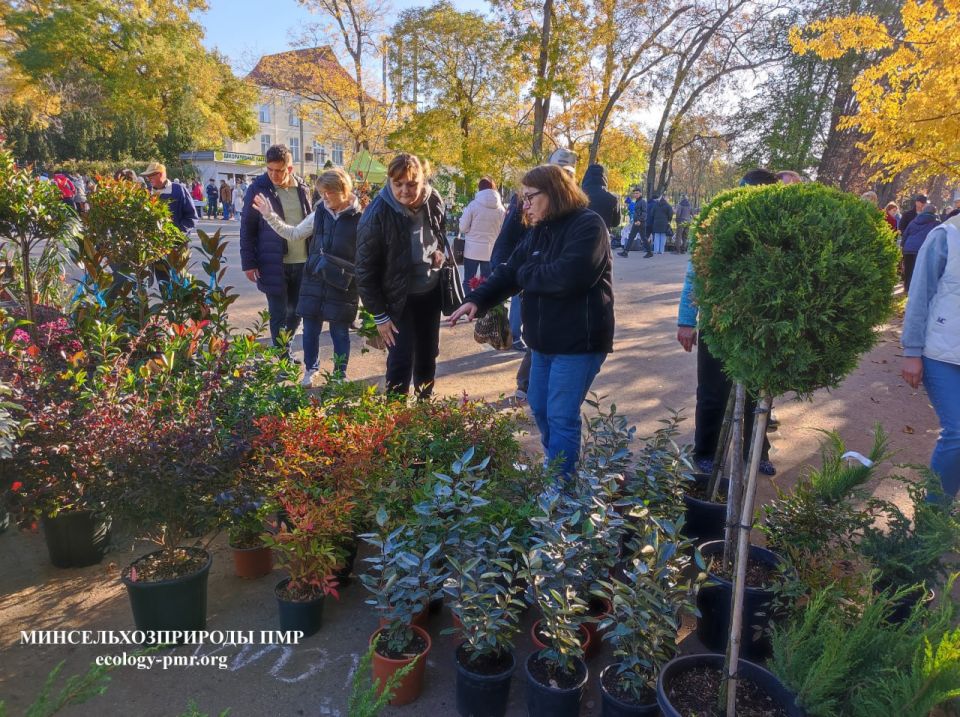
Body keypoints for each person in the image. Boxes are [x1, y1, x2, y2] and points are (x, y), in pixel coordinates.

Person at [450, 164, 614, 478]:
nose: (524, 206)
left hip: (580, 341)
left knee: (561, 415)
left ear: (554, 193)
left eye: (529, 198)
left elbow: (567, 277)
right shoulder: (540, 229)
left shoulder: (589, 225)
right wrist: (477, 300)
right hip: (543, 342)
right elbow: (509, 271)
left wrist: (524, 274)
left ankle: (561, 488)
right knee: (539, 406)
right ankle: (560, 468)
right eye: (522, 199)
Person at [677, 168, 777, 476]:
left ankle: (756, 449)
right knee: (712, 392)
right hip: (718, 324)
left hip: (762, 326)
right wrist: (686, 320)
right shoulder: (717, 223)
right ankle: (705, 451)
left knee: (757, 396)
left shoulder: (779, 226)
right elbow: (696, 274)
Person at [252, 167, 362, 385]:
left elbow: (368, 255)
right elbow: (293, 233)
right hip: (315, 279)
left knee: (339, 331)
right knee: (310, 329)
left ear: (343, 189)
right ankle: (311, 369)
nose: (324, 197)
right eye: (321, 193)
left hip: (343, 283)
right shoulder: (319, 213)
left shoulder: (361, 217)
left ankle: (340, 375)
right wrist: (269, 215)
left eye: (328, 192)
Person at [356, 153, 448, 398]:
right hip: (397, 298)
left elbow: (440, 234)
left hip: (429, 292)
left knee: (428, 354)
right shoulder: (376, 214)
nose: (404, 191)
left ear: (422, 180)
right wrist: (380, 315)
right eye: (398, 184)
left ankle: (423, 407)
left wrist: (439, 253)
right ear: (390, 181)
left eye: (411, 184)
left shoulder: (434, 200)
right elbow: (364, 271)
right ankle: (396, 417)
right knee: (400, 358)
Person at [491, 148, 579, 396]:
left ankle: (533, 386)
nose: (562, 177)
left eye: (567, 173)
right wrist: (501, 274)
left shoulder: (581, 212)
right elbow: (507, 239)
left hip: (557, 286)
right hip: (527, 277)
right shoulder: (527, 199)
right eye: (558, 171)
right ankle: (528, 384)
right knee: (534, 329)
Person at [900, 212, 960, 503]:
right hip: (940, 354)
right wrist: (912, 351)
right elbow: (919, 294)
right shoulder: (946, 235)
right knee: (959, 433)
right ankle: (932, 521)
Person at [240, 144, 312, 355]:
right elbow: (247, 228)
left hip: (302, 261)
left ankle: (285, 350)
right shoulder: (258, 188)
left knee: (296, 312)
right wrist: (249, 263)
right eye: (269, 169)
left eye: (279, 170)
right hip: (273, 263)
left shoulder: (303, 188)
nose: (273, 175)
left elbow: (310, 221)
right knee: (279, 313)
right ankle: (282, 359)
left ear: (290, 168)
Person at [459, 177, 506, 282]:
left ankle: (469, 298)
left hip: (472, 250)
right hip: (490, 251)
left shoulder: (473, 205)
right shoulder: (501, 209)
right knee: (487, 283)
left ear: (479, 189)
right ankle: (483, 299)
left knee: (468, 281)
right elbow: (503, 230)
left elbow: (462, 228)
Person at [140, 161, 197, 234]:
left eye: (151, 175)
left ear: (160, 174)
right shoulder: (147, 192)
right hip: (153, 242)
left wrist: (179, 232)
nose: (148, 178)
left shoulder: (179, 190)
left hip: (176, 241)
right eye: (147, 176)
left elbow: (191, 216)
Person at [902, 204, 940, 296]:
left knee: (908, 269)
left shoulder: (914, 221)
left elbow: (905, 234)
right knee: (918, 270)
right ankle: (916, 291)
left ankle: (907, 288)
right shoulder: (936, 223)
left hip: (908, 248)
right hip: (921, 249)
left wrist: (903, 245)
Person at [581, 164, 621, 244]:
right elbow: (616, 222)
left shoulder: (578, 197)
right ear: (604, 178)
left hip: (581, 237)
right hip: (602, 238)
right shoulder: (612, 198)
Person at [620, 188, 650, 258]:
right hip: (636, 222)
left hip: (640, 222)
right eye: (634, 193)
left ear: (640, 194)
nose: (635, 194)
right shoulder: (637, 201)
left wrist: (640, 220)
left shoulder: (642, 202)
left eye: (637, 193)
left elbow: (644, 212)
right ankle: (625, 252)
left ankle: (649, 252)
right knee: (631, 236)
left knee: (643, 238)